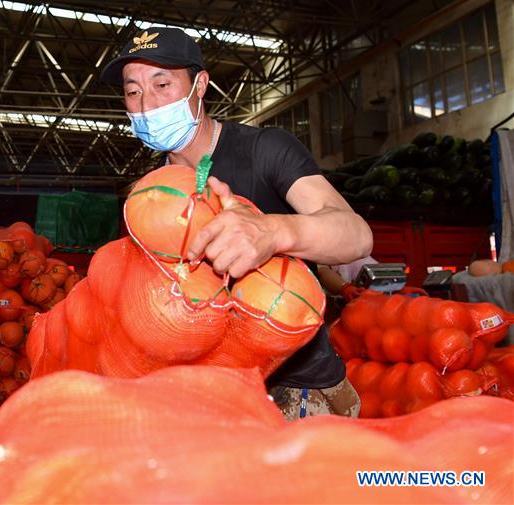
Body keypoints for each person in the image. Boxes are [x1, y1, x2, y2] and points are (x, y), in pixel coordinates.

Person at [100, 27, 373, 420]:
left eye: (162, 84)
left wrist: (276, 231)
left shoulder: (264, 150)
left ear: (200, 85)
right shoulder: (148, 196)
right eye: (133, 91)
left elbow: (356, 234)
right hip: (204, 397)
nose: (147, 105)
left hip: (294, 388)